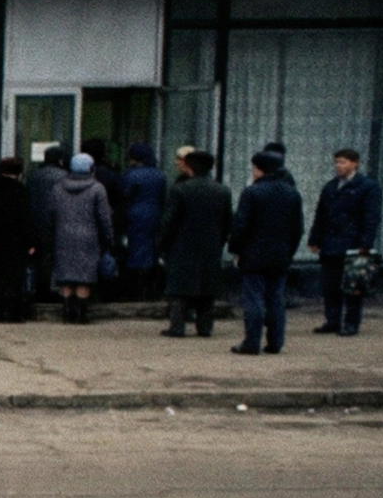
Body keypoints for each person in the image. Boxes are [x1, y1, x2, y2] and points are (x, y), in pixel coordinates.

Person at [229, 149, 305, 355]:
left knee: (253, 299)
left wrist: (236, 249)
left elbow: (241, 225)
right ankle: (275, 342)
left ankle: (251, 342)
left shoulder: (252, 192)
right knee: (275, 299)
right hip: (280, 254)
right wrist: (289, 251)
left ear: (258, 169)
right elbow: (297, 229)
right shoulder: (292, 193)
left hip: (254, 254)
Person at [156, 149, 231, 338]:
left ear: (189, 167)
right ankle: (205, 327)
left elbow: (169, 221)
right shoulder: (222, 190)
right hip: (210, 245)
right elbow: (227, 221)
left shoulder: (181, 189)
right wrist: (219, 242)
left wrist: (161, 244)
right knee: (207, 289)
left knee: (179, 289)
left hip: (182, 245)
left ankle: (177, 326)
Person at [309, 148, 382, 336]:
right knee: (330, 285)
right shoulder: (331, 187)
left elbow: (371, 217)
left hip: (353, 243)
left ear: (354, 163)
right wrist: (315, 239)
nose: (338, 166)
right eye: (337, 162)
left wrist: (365, 243)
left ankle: (351, 322)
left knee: (353, 285)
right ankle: (332, 320)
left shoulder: (367, 187)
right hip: (330, 243)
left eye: (343, 162)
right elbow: (321, 215)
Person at [50, 151, 114, 324]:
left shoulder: (58, 187)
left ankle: (67, 310)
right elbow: (103, 217)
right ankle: (82, 313)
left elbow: (52, 212)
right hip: (88, 236)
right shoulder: (97, 188)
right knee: (84, 276)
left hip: (63, 235)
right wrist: (108, 238)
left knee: (66, 275)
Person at [0, 157, 35, 323]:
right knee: (15, 277)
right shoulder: (22, 191)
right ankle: (13, 312)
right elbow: (27, 218)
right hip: (16, 241)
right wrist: (30, 242)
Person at [121, 144, 167, 290]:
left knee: (135, 247)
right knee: (151, 246)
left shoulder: (131, 175)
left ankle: (135, 285)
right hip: (154, 212)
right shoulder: (159, 175)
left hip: (135, 213)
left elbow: (125, 194)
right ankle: (150, 282)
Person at [26, 145, 68, 299]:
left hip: (36, 220)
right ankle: (54, 289)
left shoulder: (34, 175)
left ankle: (38, 289)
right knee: (55, 255)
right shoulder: (64, 176)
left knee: (39, 256)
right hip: (58, 221)